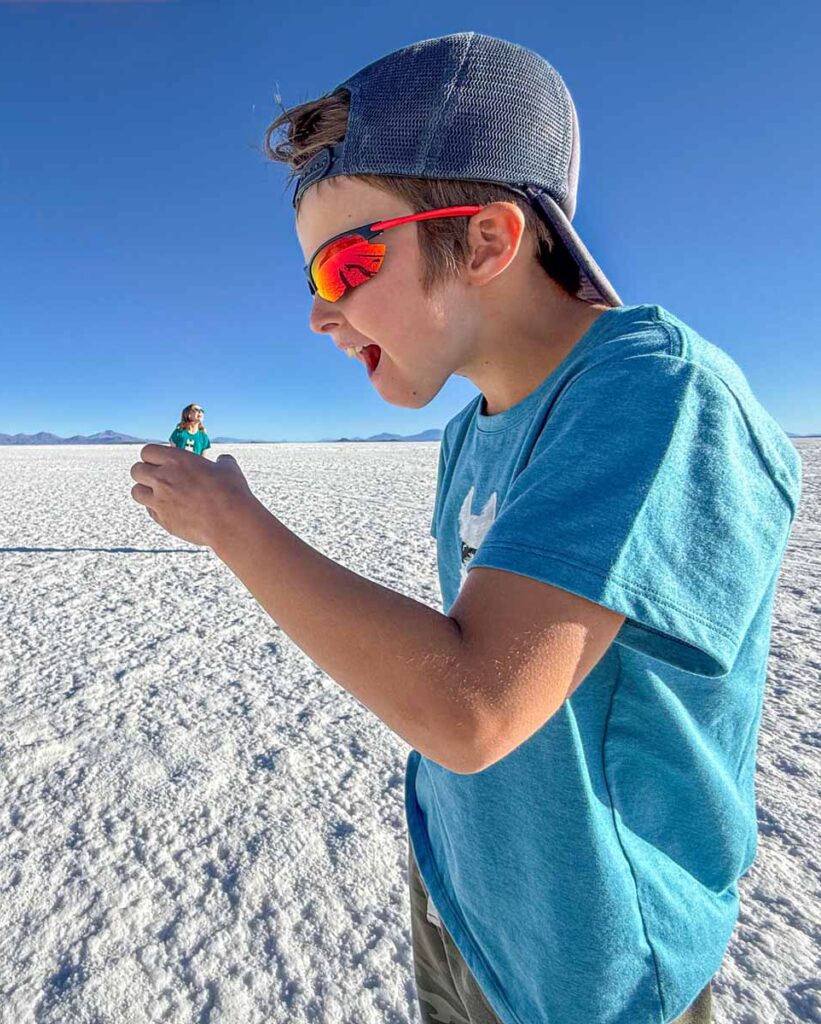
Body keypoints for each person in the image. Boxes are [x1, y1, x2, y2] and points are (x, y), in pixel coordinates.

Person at [130, 33, 803, 1024]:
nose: (322, 314)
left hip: (590, 971)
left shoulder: (658, 397)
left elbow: (473, 707)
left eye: (348, 263)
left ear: (488, 241)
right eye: (313, 280)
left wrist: (235, 525)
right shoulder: (469, 432)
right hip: (463, 904)